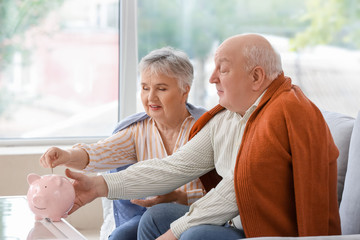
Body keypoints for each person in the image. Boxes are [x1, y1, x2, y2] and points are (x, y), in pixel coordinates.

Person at [41, 34, 341, 240]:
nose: (211, 78)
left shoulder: (283, 112)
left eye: (222, 69)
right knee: (158, 217)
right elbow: (175, 167)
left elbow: (239, 188)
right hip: (235, 220)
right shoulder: (229, 116)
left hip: (264, 229)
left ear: (256, 77)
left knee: (193, 233)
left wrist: (177, 230)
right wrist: (99, 185)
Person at [40, 47, 207, 240]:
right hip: (150, 216)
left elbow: (226, 192)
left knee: (154, 217)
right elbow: (99, 153)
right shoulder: (138, 129)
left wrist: (182, 198)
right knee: (120, 236)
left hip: (198, 213)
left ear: (184, 90)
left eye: (161, 89)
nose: (150, 97)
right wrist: (66, 155)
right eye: (145, 88)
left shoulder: (206, 128)